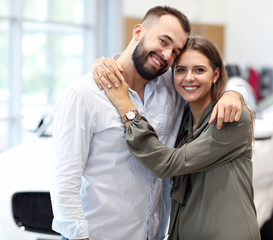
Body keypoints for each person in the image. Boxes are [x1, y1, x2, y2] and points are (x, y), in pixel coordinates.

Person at [51, 6, 246, 240]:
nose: (166, 55)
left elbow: (207, 80)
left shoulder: (171, 88)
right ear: (137, 32)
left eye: (175, 51)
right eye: (163, 41)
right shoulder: (84, 94)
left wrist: (233, 94)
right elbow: (65, 181)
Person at [98, 35, 260, 240]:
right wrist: (104, 64)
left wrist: (126, 108)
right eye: (181, 70)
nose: (189, 78)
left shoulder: (231, 119)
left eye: (199, 70)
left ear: (216, 74)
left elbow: (167, 163)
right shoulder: (182, 117)